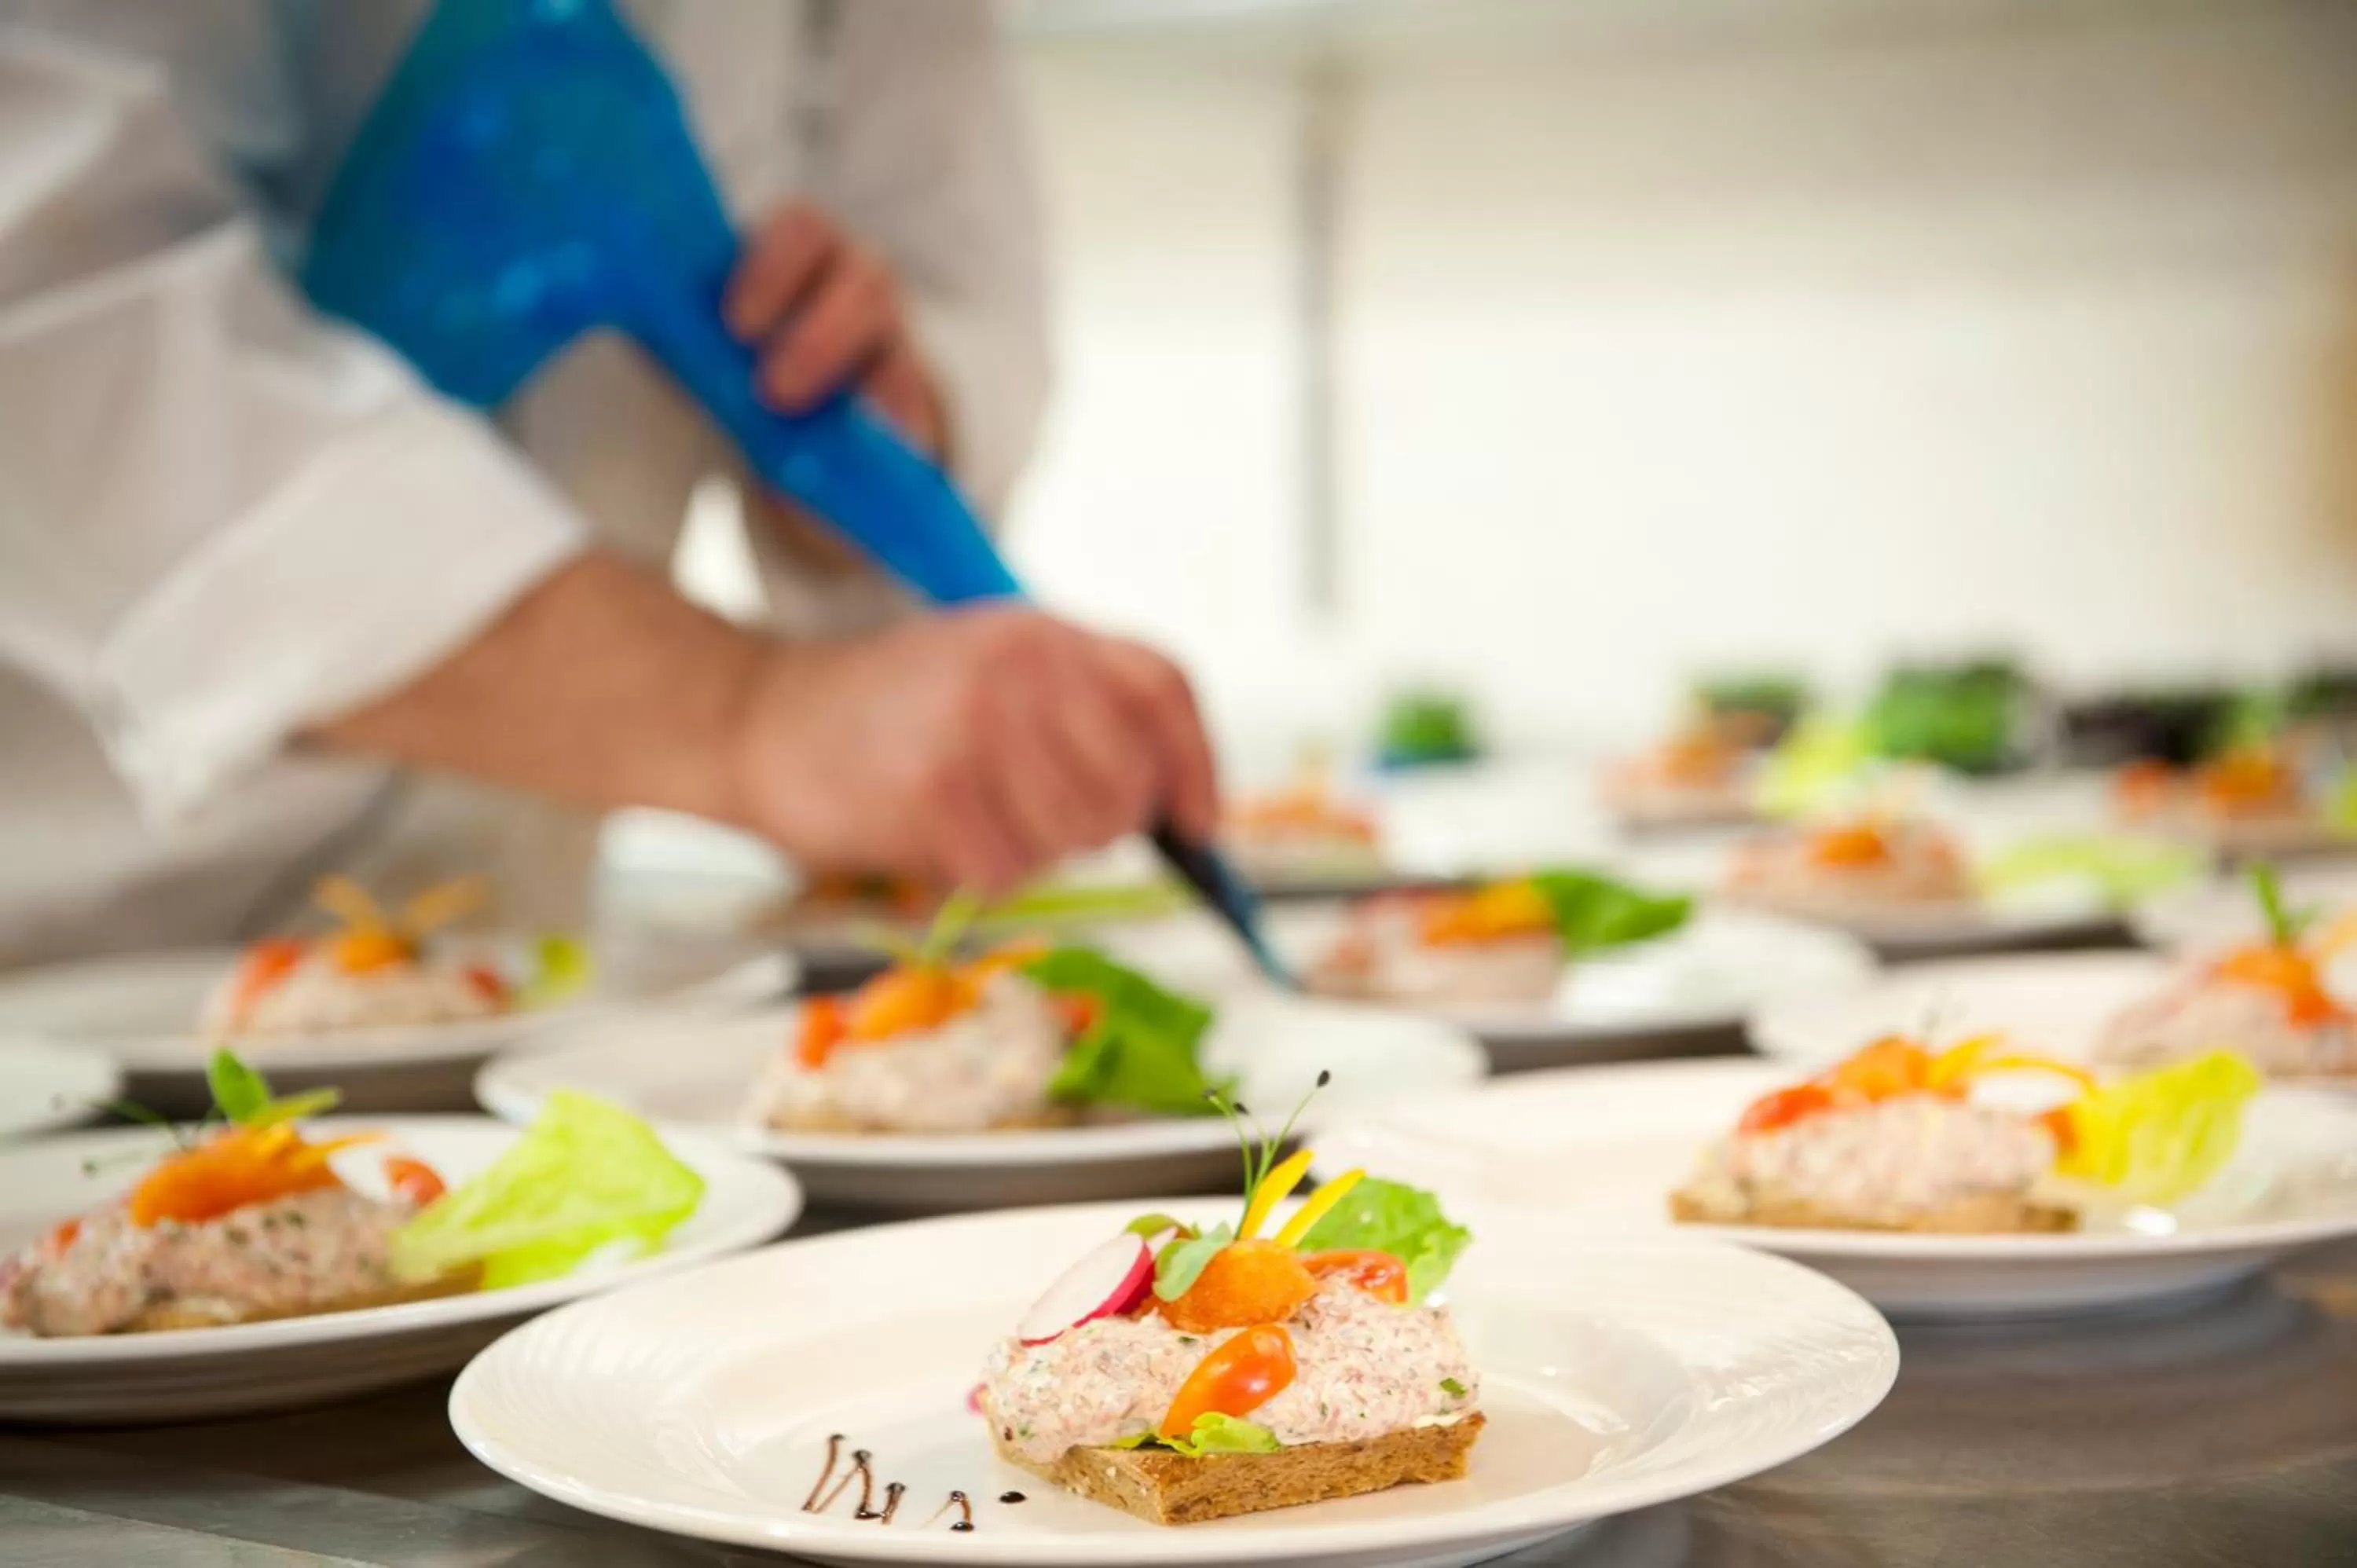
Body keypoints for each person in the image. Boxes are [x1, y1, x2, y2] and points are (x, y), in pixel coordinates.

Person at [0, 1, 1218, 969]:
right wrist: (751, 715)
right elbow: (67, 348)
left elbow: (954, 270)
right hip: (79, 962)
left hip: (531, 958)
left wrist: (889, 416)